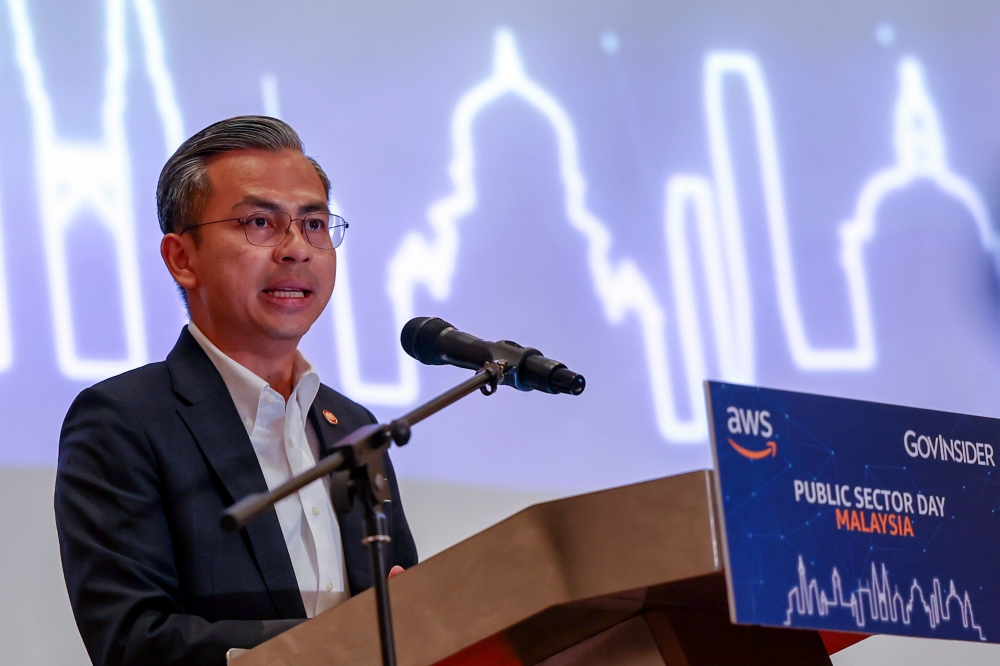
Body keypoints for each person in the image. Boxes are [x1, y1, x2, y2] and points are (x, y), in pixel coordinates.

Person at [54, 116, 418, 666]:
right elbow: (132, 641)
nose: (297, 248)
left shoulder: (353, 423)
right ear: (183, 259)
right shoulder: (123, 421)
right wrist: (336, 647)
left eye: (315, 224)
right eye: (259, 223)